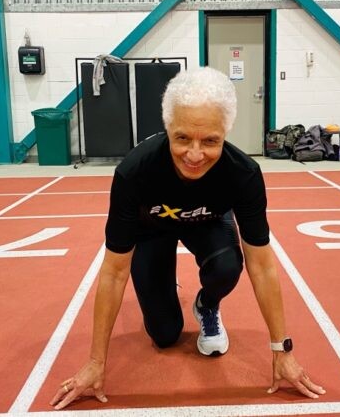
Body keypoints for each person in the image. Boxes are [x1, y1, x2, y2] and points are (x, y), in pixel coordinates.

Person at [50, 67, 325, 410]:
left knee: (228, 266)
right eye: (182, 139)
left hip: (206, 221)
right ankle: (164, 288)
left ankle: (207, 304)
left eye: (210, 141)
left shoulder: (243, 174)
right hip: (151, 228)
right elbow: (114, 271)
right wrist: (95, 362)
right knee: (165, 335)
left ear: (225, 133)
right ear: (168, 128)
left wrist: (281, 351)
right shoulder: (134, 172)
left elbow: (262, 265)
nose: (195, 155)